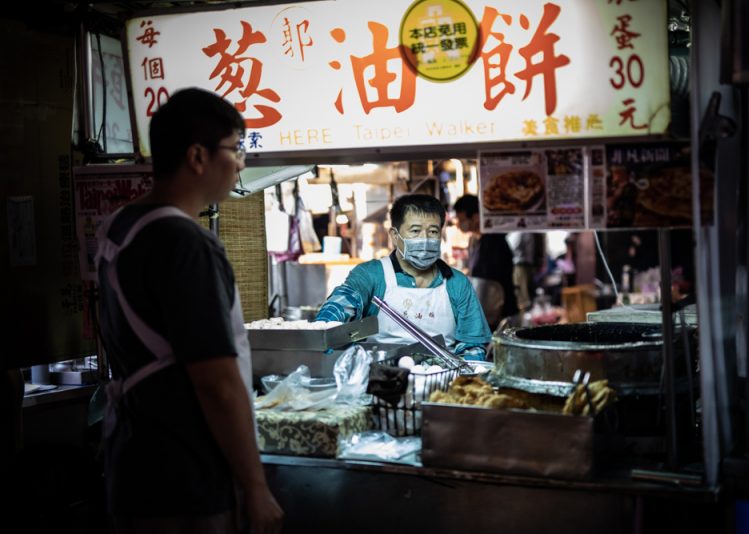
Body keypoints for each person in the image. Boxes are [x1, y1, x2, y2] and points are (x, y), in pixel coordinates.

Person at [95, 88, 283, 534]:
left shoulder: (121, 225)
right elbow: (216, 381)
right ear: (198, 156)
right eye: (235, 149)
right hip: (184, 474)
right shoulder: (184, 242)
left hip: (135, 461)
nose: (241, 163)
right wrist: (255, 488)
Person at [315, 194, 491, 360]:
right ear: (394, 235)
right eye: (415, 231)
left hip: (443, 382)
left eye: (433, 232)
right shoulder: (371, 275)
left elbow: (473, 346)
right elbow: (339, 307)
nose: (425, 239)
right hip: (381, 380)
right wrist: (325, 330)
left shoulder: (457, 283)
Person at [453, 195, 518, 327]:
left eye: (461, 219)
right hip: (489, 314)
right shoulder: (477, 241)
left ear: (476, 217)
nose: (459, 224)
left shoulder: (494, 242)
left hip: (500, 316)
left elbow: (490, 281)